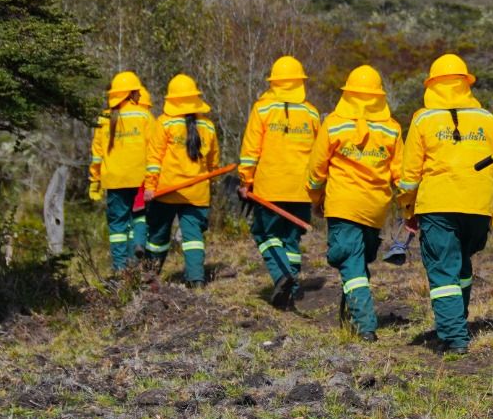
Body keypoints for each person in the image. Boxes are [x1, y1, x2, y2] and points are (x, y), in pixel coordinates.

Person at [398, 54, 493, 355]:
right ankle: (457, 321)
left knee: (443, 271)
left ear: (431, 84)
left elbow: (409, 177)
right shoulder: (486, 118)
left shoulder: (423, 119)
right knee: (462, 262)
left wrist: (408, 209)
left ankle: (455, 337)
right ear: (465, 83)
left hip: (437, 204)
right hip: (478, 205)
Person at [307, 66, 402, 341]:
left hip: (342, 205)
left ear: (347, 93)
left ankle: (365, 326)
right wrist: (409, 207)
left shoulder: (334, 124)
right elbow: (401, 174)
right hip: (375, 209)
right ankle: (350, 314)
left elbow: (316, 170)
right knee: (357, 261)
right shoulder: (391, 128)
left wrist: (316, 199)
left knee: (349, 262)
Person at [238, 56, 322, 306]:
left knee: (265, 234)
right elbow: (319, 155)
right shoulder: (311, 112)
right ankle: (293, 288)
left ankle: (282, 276)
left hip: (269, 188)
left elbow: (251, 150)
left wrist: (245, 180)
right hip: (301, 190)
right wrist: (319, 192)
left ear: (274, 82)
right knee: (291, 239)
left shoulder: (262, 109)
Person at [143, 74, 221, 287]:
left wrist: (149, 186)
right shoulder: (209, 126)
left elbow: (154, 160)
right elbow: (214, 164)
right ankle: (196, 280)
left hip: (166, 192)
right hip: (197, 193)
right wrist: (208, 184)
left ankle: (150, 277)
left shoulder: (164, 123)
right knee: (193, 237)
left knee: (158, 235)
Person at [88, 71, 154, 272]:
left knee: (118, 225)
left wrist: (94, 180)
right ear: (133, 93)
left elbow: (97, 154)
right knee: (139, 216)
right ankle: (136, 254)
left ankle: (119, 268)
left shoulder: (103, 118)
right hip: (139, 178)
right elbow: (154, 150)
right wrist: (153, 179)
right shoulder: (144, 116)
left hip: (113, 180)